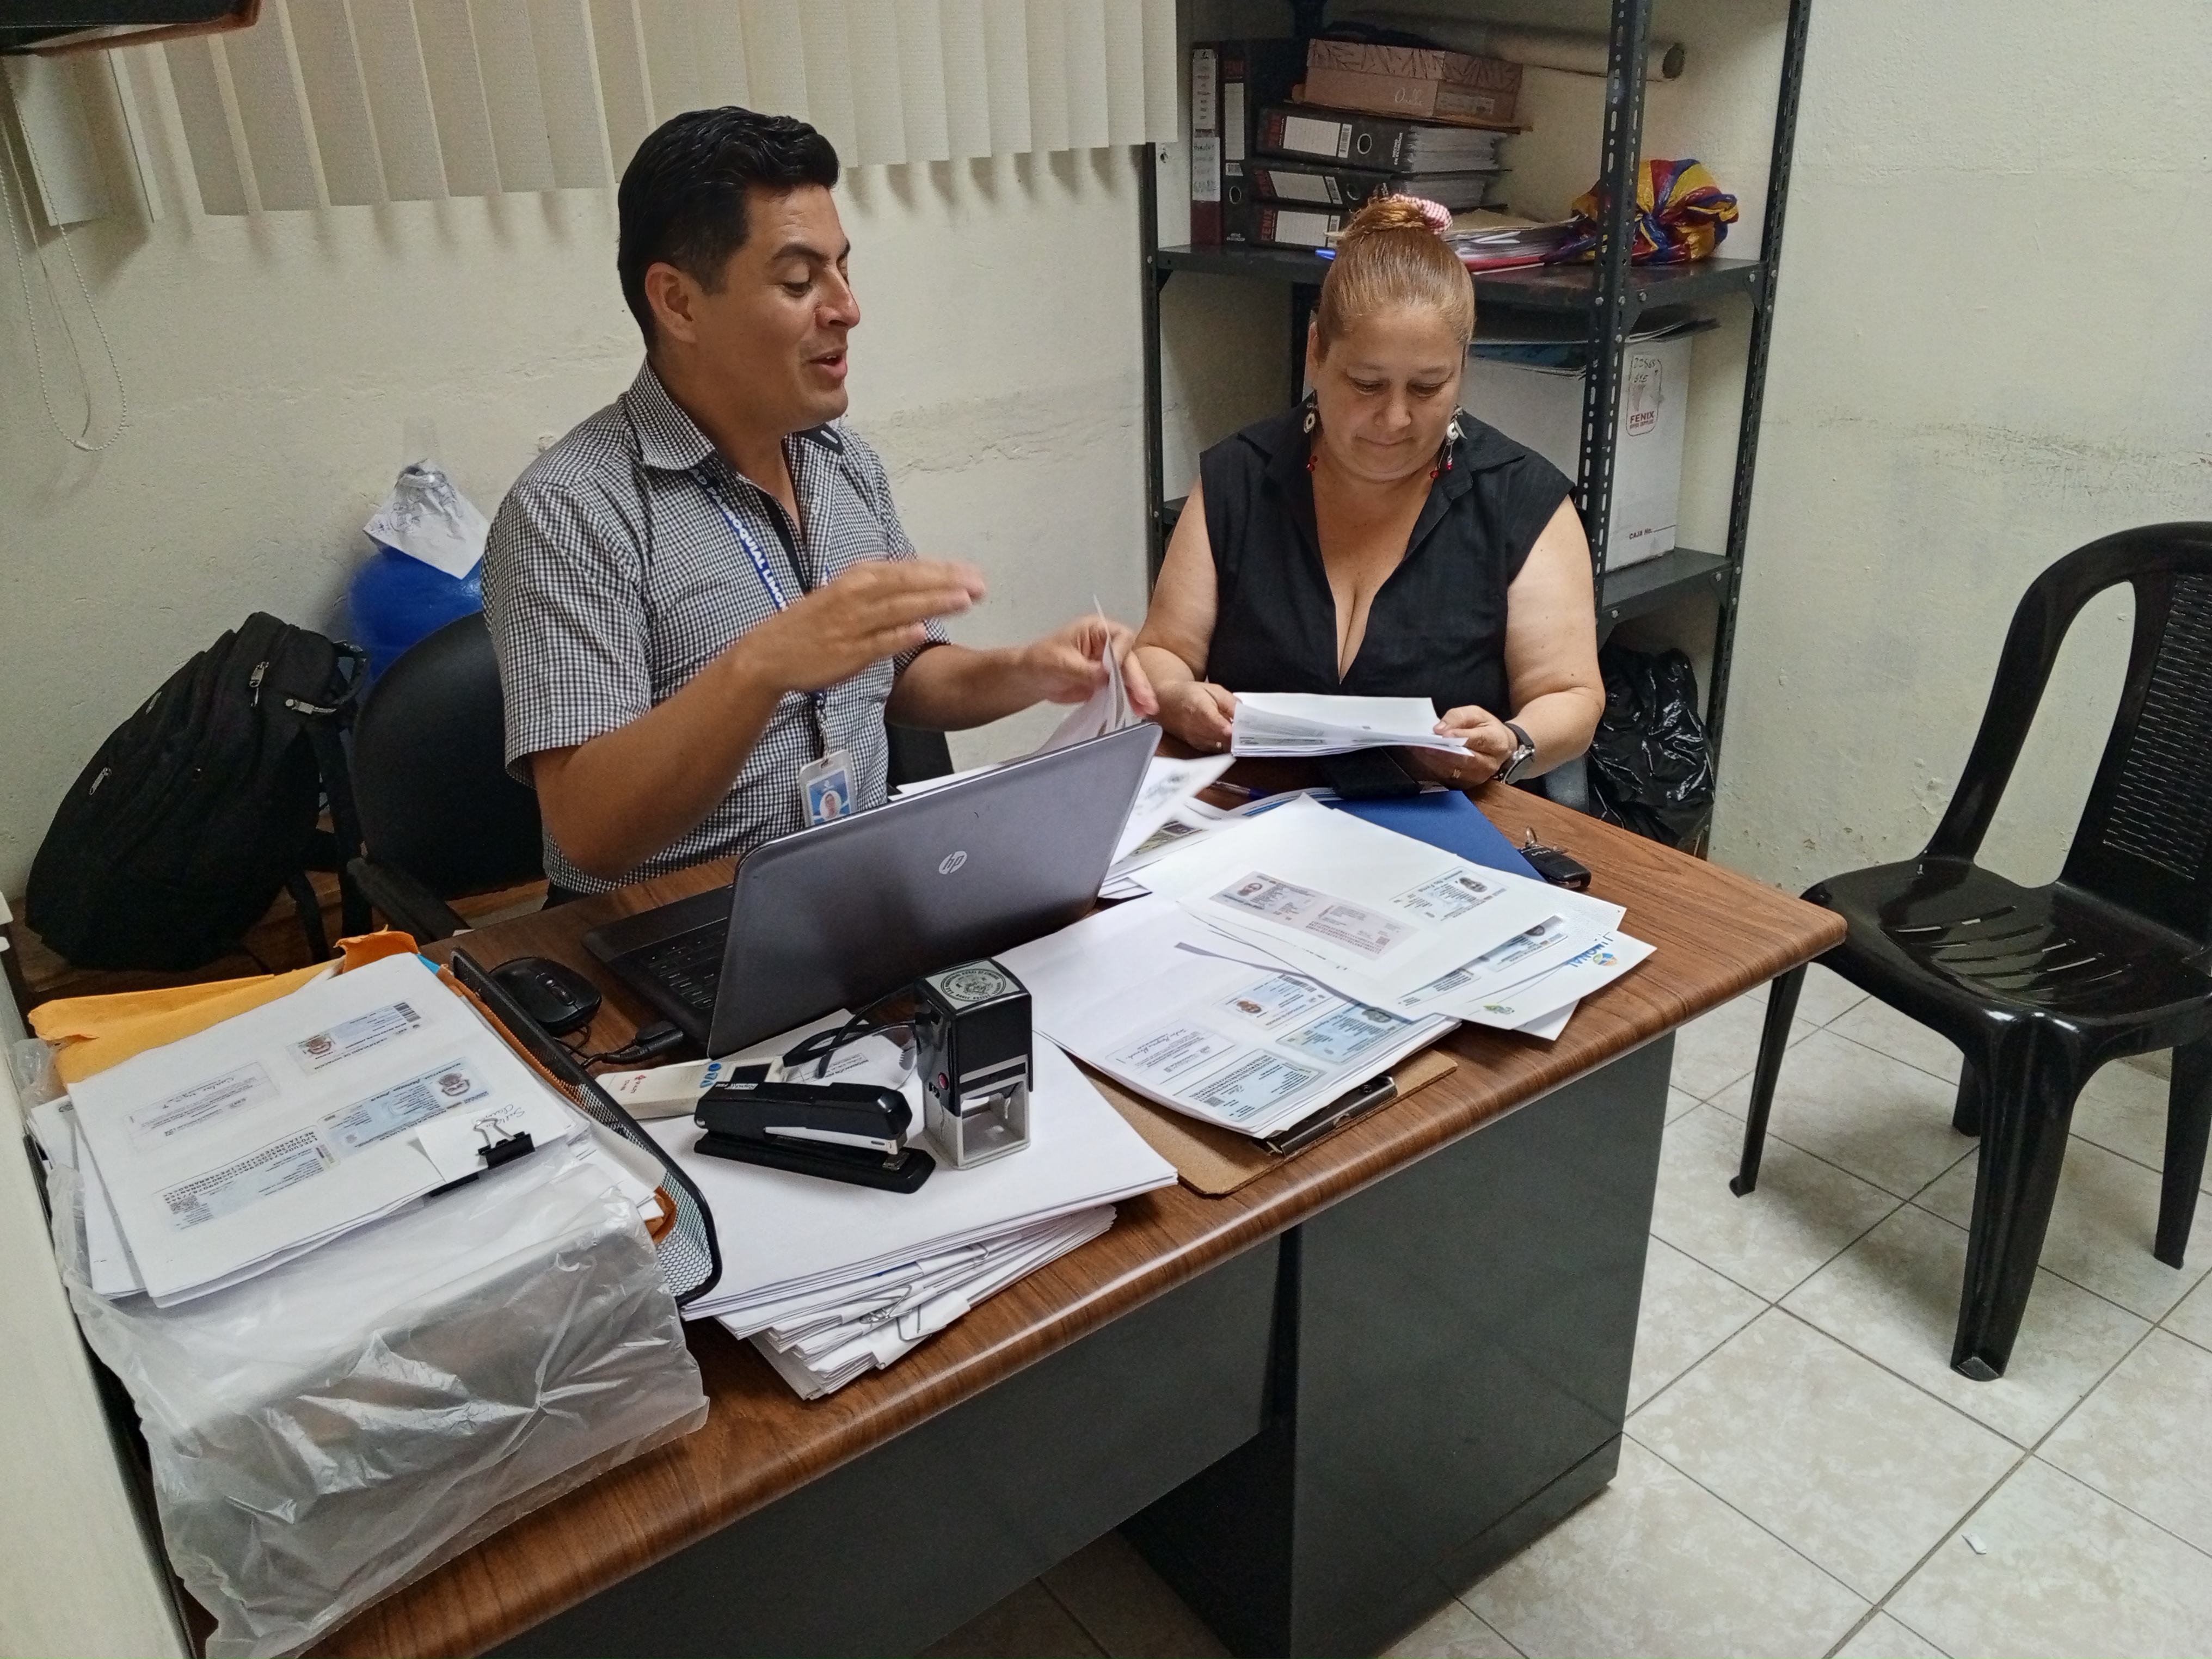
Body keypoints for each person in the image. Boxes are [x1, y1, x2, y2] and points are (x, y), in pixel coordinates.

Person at [484, 107, 1153, 896]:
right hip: (676, 920)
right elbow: (590, 832)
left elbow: (904, 673)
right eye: (799, 282)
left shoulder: (839, 462)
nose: (846, 309)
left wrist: (1026, 671)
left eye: (843, 270)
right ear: (678, 303)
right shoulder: (571, 509)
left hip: (858, 888)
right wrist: (761, 666)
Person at [1132, 194, 1601, 787]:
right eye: (1366, 383)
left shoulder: (1521, 501)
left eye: (1427, 388)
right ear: (1316, 352)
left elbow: (1570, 695)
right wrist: (1177, 698)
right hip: (1254, 809)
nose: (1395, 418)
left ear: (1463, 366)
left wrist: (1511, 741)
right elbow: (1162, 652)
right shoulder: (1239, 479)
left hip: (1441, 816)